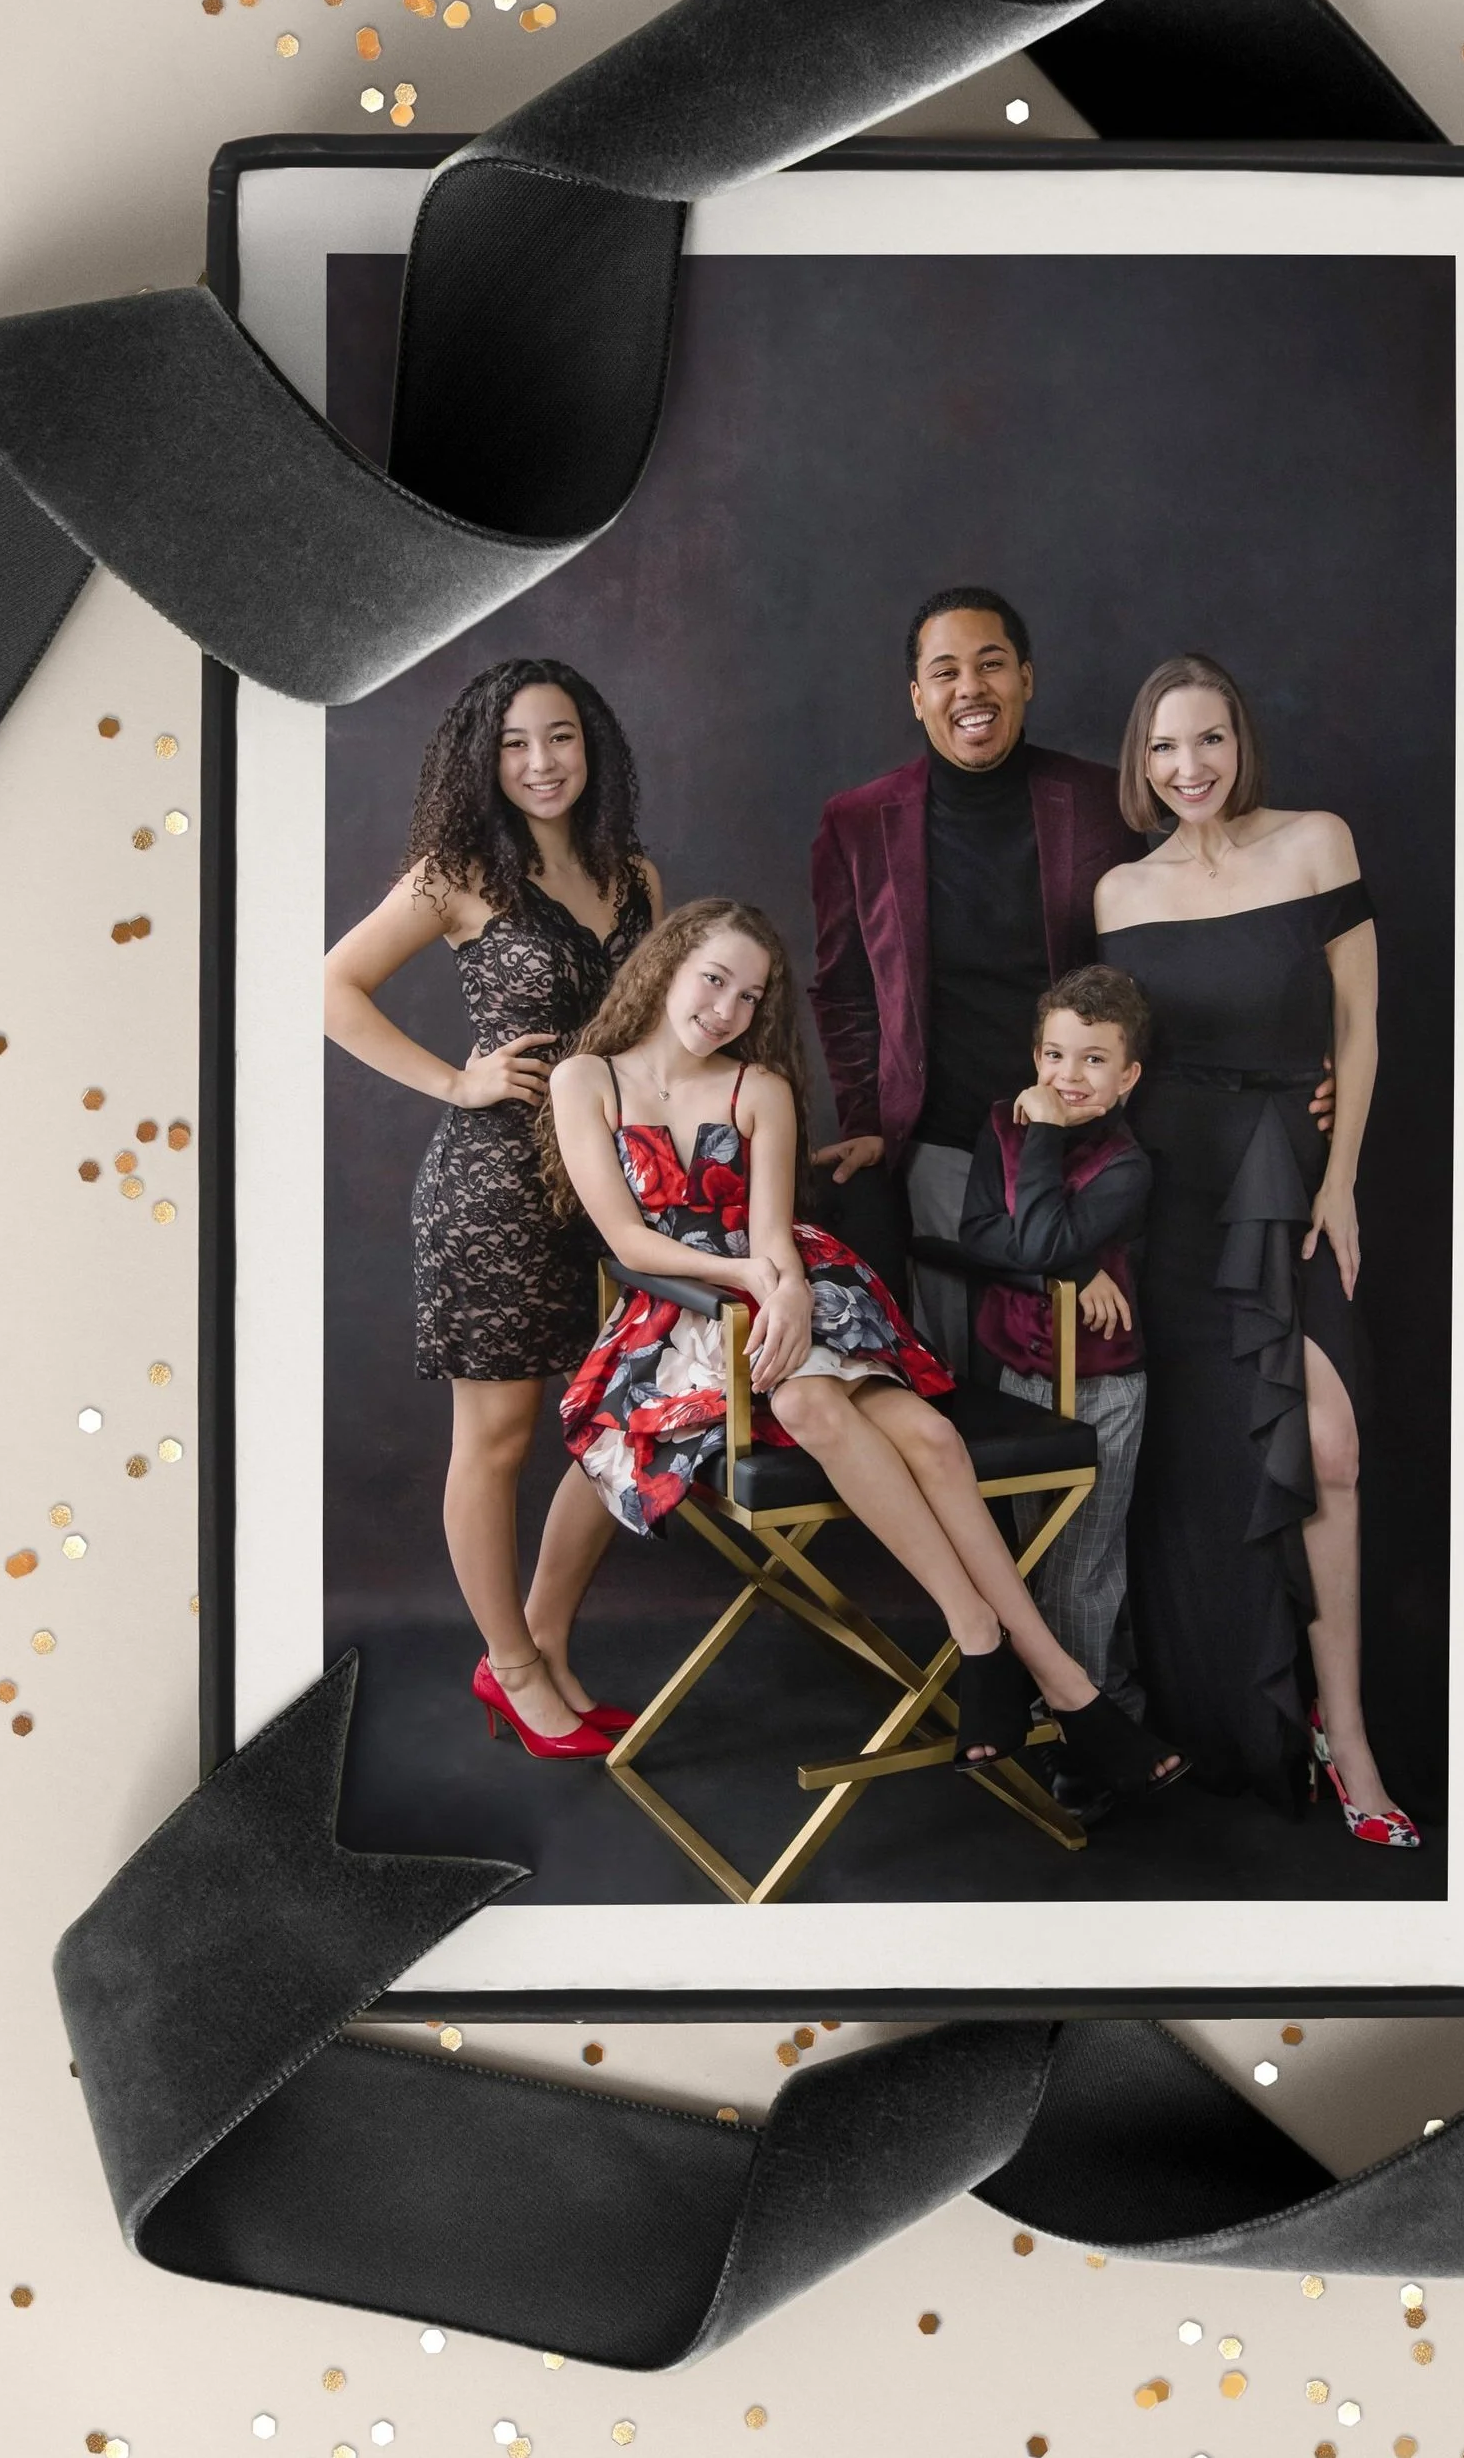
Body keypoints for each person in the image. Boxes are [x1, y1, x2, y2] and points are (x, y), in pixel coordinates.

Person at [546, 899, 1189, 1795]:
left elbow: (774, 1231)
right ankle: (1041, 1676)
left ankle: (1015, 1665)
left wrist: (793, 1295)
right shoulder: (585, 1079)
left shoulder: (757, 1087)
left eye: (748, 995)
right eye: (713, 980)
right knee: (813, 1401)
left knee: (925, 1434)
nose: (725, 1008)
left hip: (798, 1286)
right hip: (688, 1306)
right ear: (667, 966)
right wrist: (753, 1289)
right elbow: (628, 1239)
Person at [1095, 653, 1417, 1845]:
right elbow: (1117, 1070)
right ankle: (1237, 1721)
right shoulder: (1121, 895)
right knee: (1219, 1470)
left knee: (1326, 1448)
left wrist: (1341, 1181)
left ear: (1241, 742)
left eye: (1211, 739)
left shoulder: (1316, 842)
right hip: (1174, 1199)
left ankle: (1350, 1736)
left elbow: (1360, 1028)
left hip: (1291, 1177)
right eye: (1168, 747)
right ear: (1142, 760)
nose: (1191, 767)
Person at [322, 656, 661, 1762]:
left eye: (558, 737)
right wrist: (457, 1079)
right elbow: (333, 988)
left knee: (617, 1422)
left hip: (609, 1189)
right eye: (515, 743)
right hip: (496, 1189)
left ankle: (540, 1643)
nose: (540, 761)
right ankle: (511, 1668)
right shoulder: (459, 871)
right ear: (486, 757)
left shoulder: (636, 877)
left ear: (590, 743)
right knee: (501, 1435)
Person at [808, 587, 1138, 1372]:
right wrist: (864, 1115)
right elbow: (845, 989)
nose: (971, 688)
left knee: (1076, 1376)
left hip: (1086, 1147)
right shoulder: (856, 821)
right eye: (946, 670)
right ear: (918, 696)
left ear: (1026, 675)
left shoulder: (1103, 802)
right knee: (953, 1378)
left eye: (991, 664)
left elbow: (1161, 952)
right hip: (945, 1150)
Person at [957, 965, 1156, 1804]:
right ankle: (1046, 1703)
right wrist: (1070, 1265)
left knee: (1079, 1568)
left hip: (1101, 1390)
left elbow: (1030, 1236)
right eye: (1054, 1054)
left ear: (1128, 1077)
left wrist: (1040, 1140)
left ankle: (1097, 1730)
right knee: (1025, 1556)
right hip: (1016, 1376)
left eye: (1094, 1061)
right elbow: (978, 1236)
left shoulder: (1126, 1163)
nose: (1068, 1078)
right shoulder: (998, 1125)